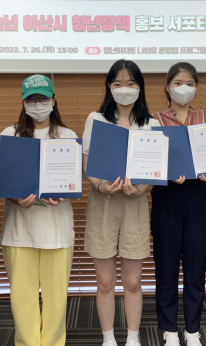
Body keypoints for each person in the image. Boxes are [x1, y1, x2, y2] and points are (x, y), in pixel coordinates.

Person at [82, 59, 160, 346]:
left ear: (140, 87)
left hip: (135, 204)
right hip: (103, 202)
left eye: (131, 83)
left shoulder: (152, 124)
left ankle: (133, 337)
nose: (124, 88)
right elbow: (87, 162)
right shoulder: (96, 119)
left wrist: (142, 189)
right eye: (118, 83)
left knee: (133, 281)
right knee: (104, 281)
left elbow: (155, 169)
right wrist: (101, 185)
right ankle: (108, 338)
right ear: (109, 86)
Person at [0, 74, 76, 346]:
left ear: (54, 101)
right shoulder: (9, 135)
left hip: (57, 230)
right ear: (23, 103)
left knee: (56, 300)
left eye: (43, 98)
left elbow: (72, 181)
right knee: (23, 299)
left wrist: (63, 194)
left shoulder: (67, 136)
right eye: (31, 99)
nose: (38, 104)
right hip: (20, 230)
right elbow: (1, 181)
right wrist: (15, 198)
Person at [150, 62, 206, 346]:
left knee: (196, 265)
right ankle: (169, 329)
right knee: (166, 266)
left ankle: (192, 329)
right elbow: (149, 160)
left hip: (198, 195)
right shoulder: (153, 120)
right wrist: (165, 172)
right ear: (167, 87)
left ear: (196, 87)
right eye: (177, 83)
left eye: (189, 83)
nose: (183, 88)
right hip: (166, 196)